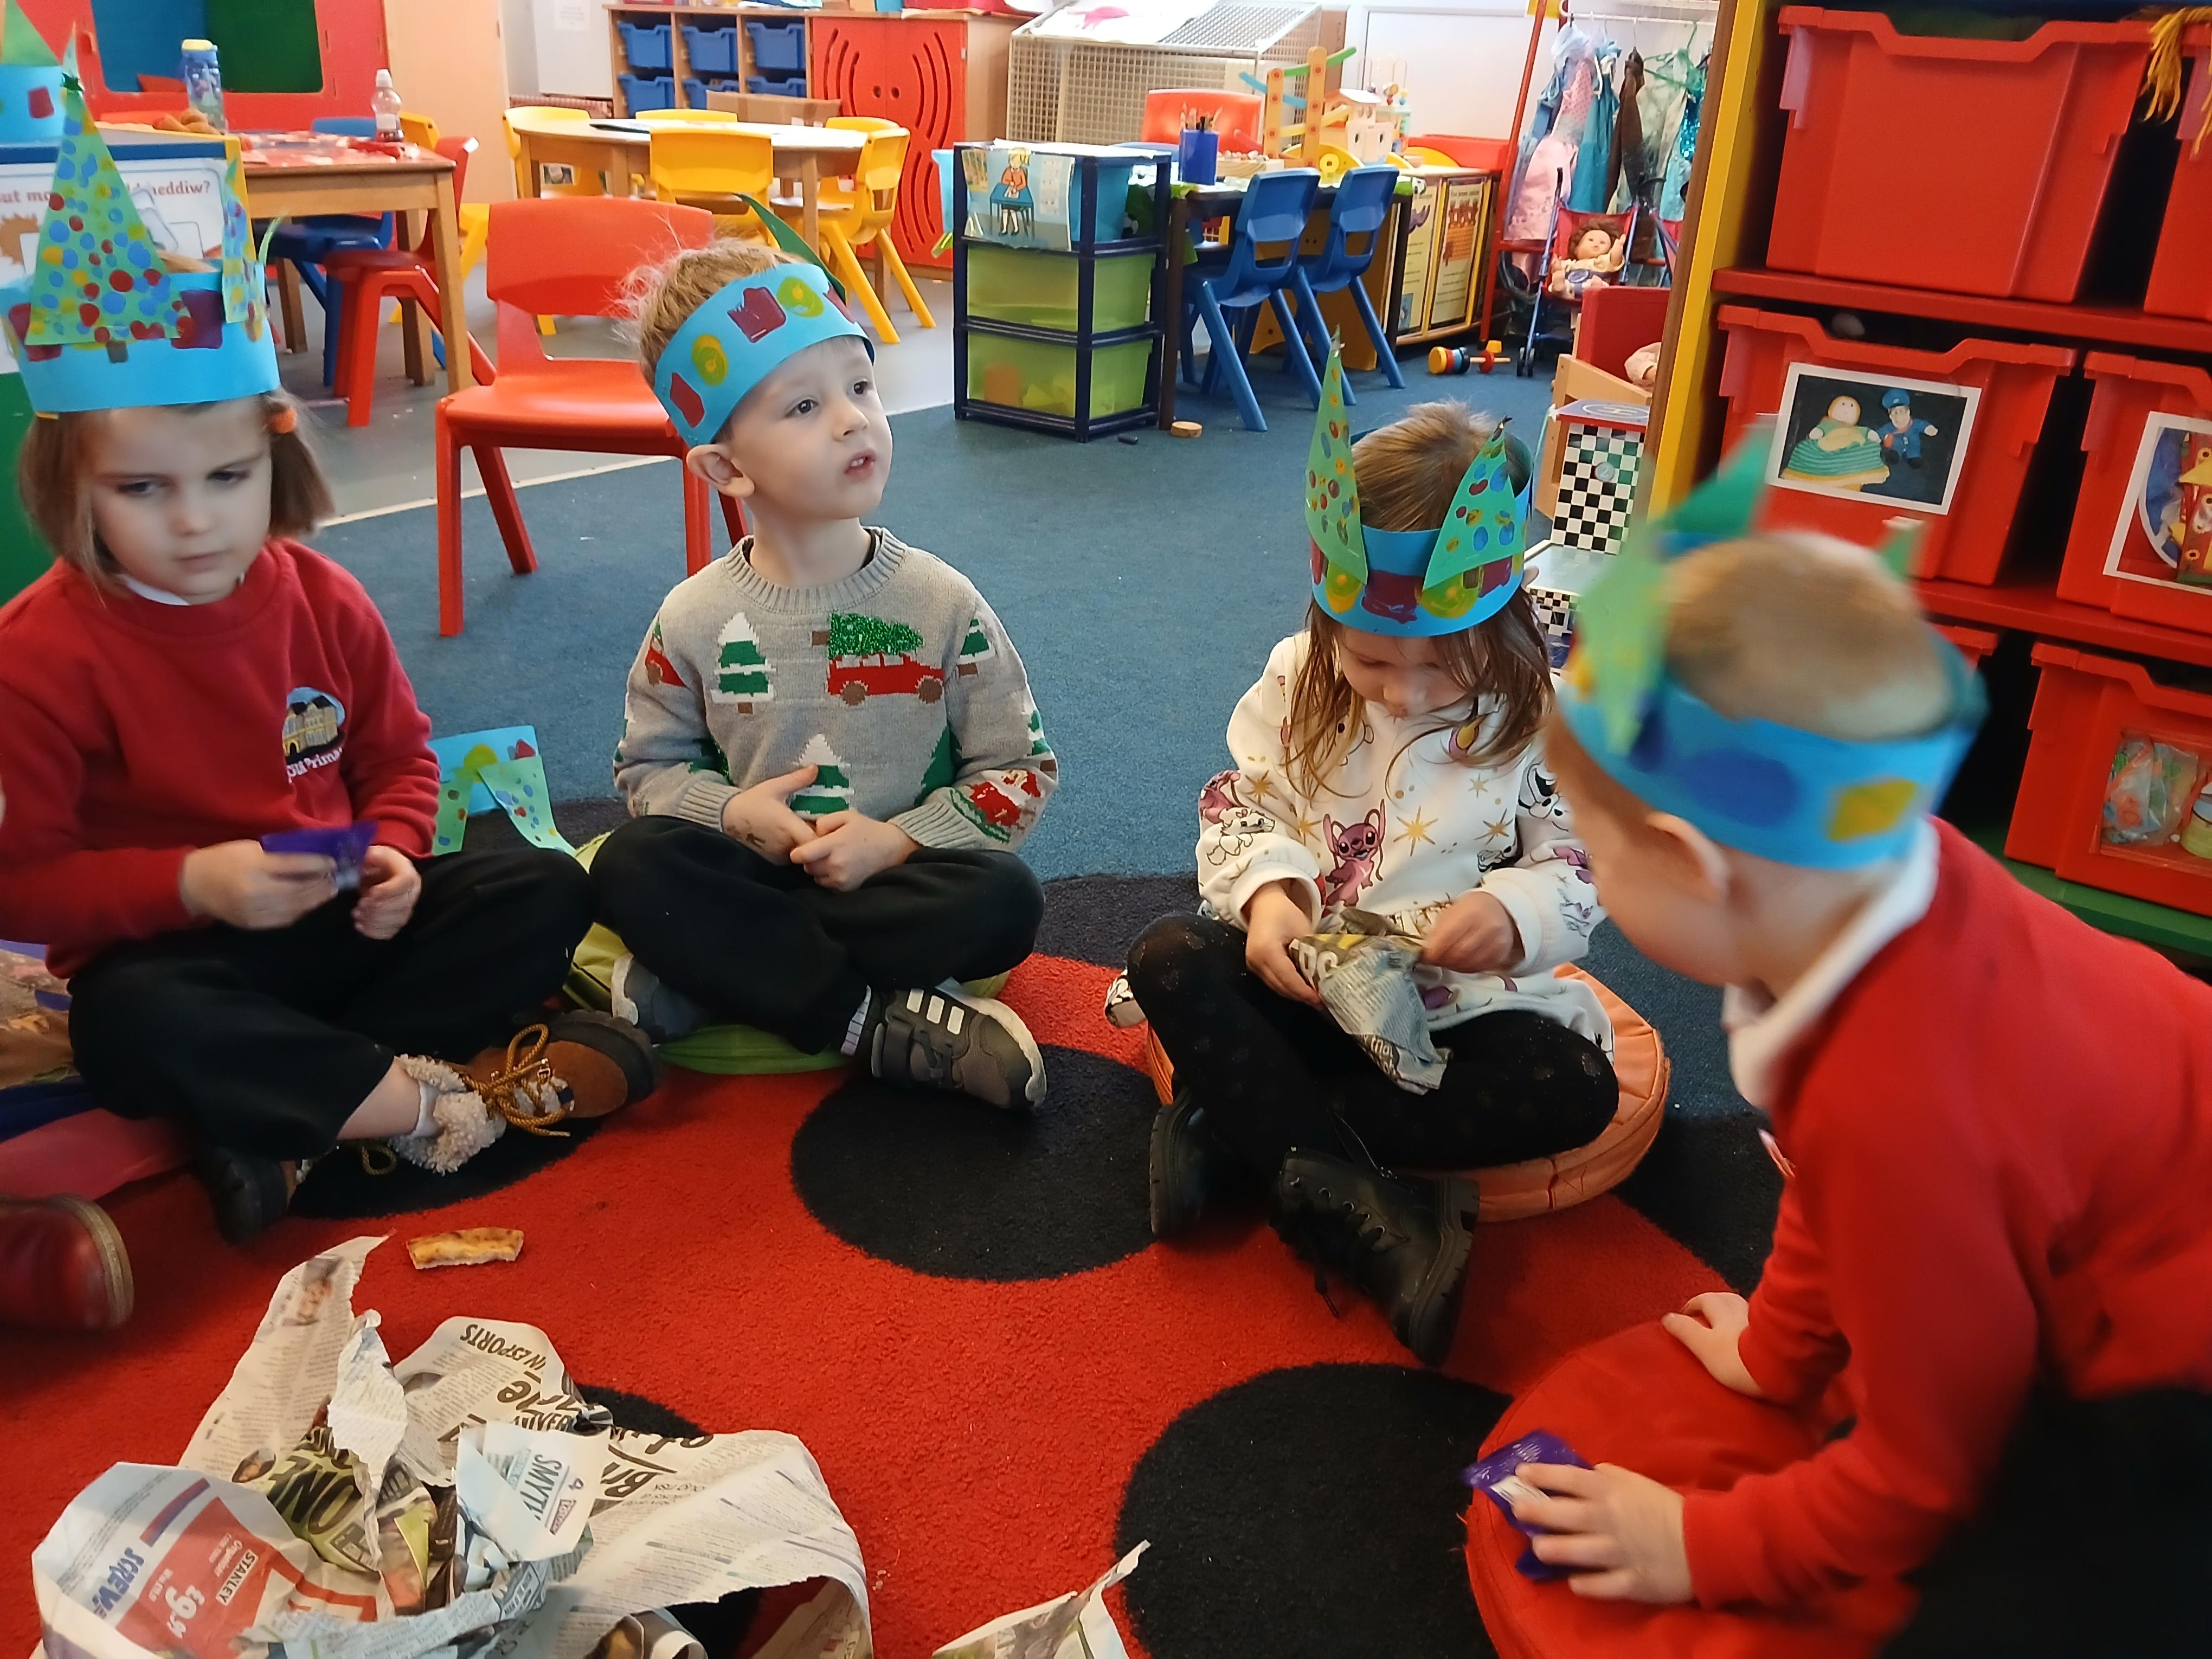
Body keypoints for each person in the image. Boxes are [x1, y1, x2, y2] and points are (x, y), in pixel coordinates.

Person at [1504, 448, 2212, 1655]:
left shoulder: (1903, 1110)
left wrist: (1698, 1545)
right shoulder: (1886, 887)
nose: (1594, 879)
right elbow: (1832, 1180)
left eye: (1601, 854)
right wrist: (1782, 1352)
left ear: (1695, 864)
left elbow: (1927, 1473)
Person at [0, 105, 657, 1245]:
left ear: (275, 457)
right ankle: (429, 1105)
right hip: (177, 955)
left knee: (544, 889)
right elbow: (26, 886)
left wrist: (393, 851)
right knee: (132, 1027)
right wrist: (193, 885)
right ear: (71, 488)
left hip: (342, 926)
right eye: (143, 490)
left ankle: (288, 1118)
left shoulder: (321, 594)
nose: (196, 521)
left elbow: (397, 760)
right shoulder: (38, 652)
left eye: (227, 476)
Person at [1126, 361, 1619, 1367]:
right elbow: (1241, 804)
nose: (1403, 693)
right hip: (1307, 991)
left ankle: (1245, 1131)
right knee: (1168, 956)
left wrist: (1516, 912)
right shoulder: (1299, 675)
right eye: (1373, 661)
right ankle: (1363, 1203)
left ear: (1503, 621)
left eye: (1442, 662)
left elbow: (1586, 860)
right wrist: (1271, 897)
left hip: (1455, 1012)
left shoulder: (1549, 718)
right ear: (1328, 625)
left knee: (1574, 1085)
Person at [593, 241, 1054, 1109]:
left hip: (890, 883)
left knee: (1006, 900)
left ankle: (725, 975)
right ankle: (868, 1024)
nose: (853, 421)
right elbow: (648, 773)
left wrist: (899, 841)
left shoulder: (942, 601)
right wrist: (732, 813)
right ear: (726, 469)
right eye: (805, 406)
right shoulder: (690, 618)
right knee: (631, 865)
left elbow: (1020, 771)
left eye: (861, 386)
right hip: (751, 873)